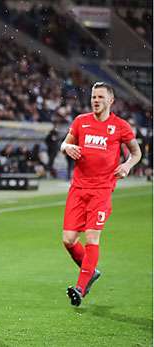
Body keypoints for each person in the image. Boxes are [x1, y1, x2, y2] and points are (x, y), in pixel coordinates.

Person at [60, 82, 141, 307]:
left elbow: (136, 152)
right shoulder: (80, 122)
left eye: (100, 97)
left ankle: (80, 286)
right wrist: (67, 148)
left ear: (110, 100)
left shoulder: (120, 127)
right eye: (94, 96)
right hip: (78, 189)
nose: (95, 100)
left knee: (92, 238)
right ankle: (90, 271)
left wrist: (127, 165)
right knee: (68, 240)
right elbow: (63, 144)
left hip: (102, 190)